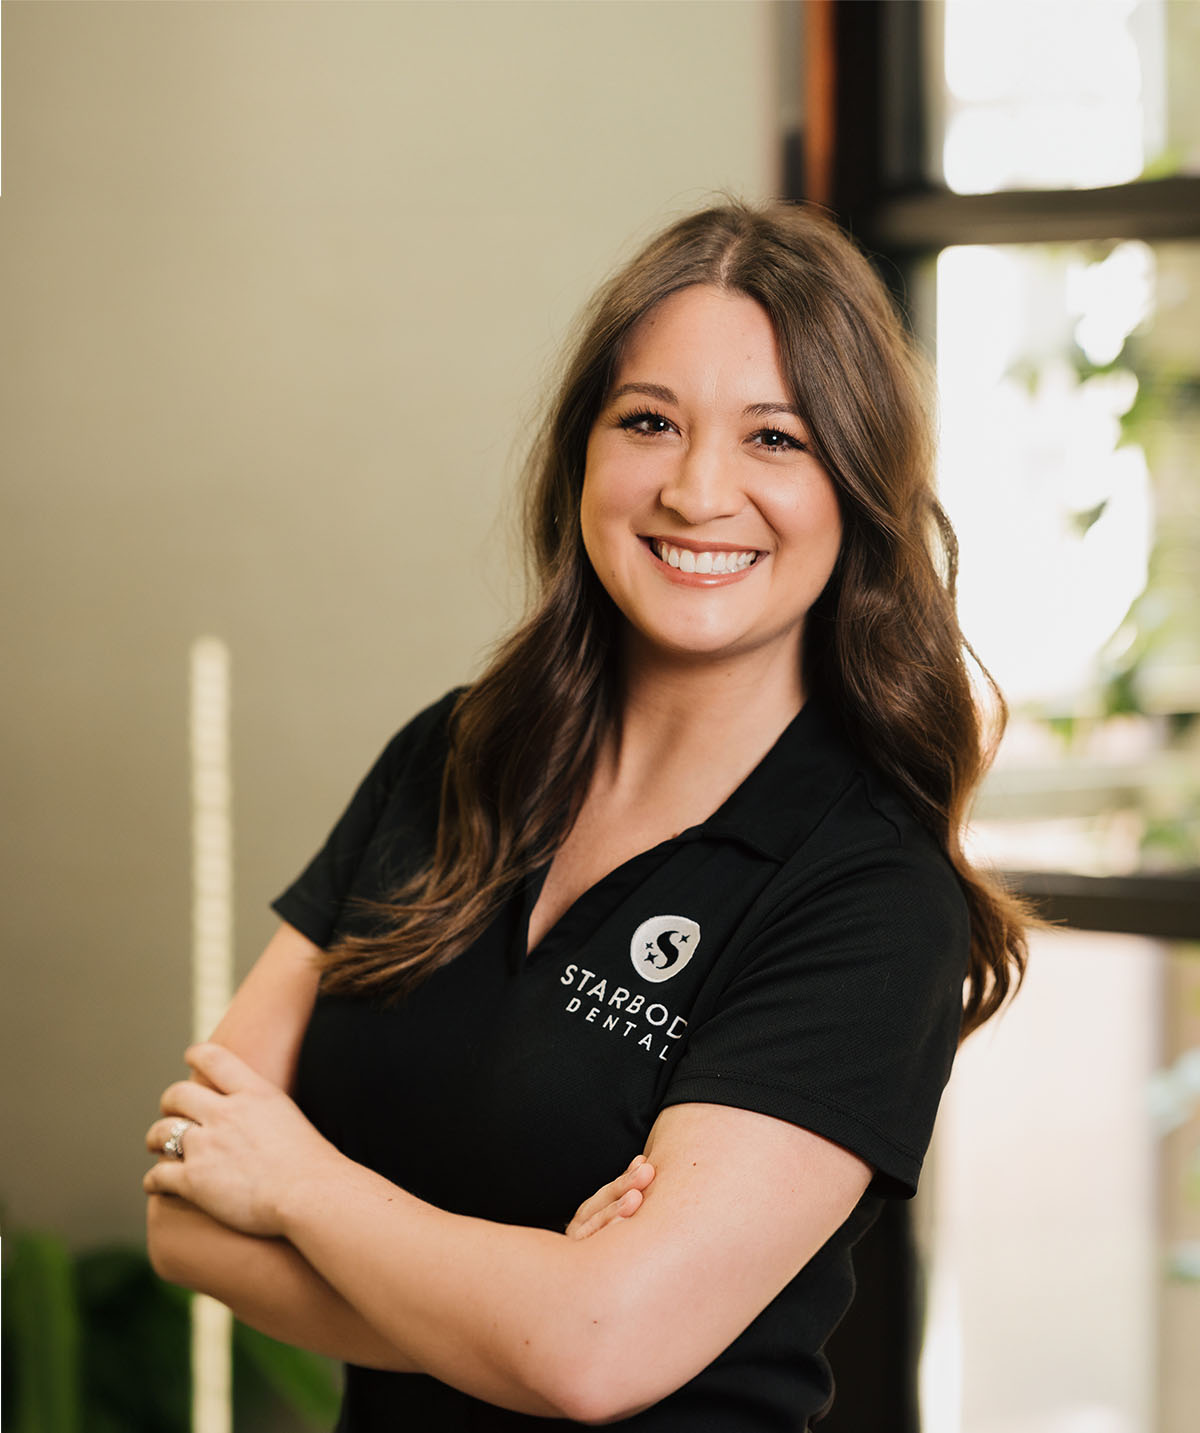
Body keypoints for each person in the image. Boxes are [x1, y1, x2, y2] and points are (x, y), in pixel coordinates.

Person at [144, 199, 1030, 1430]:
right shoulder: (445, 759)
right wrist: (531, 1307)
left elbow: (597, 1351)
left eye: (776, 437)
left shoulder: (868, 893)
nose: (697, 487)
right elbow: (186, 1209)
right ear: (583, 456)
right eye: (650, 421)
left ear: (859, 490)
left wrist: (298, 1185)